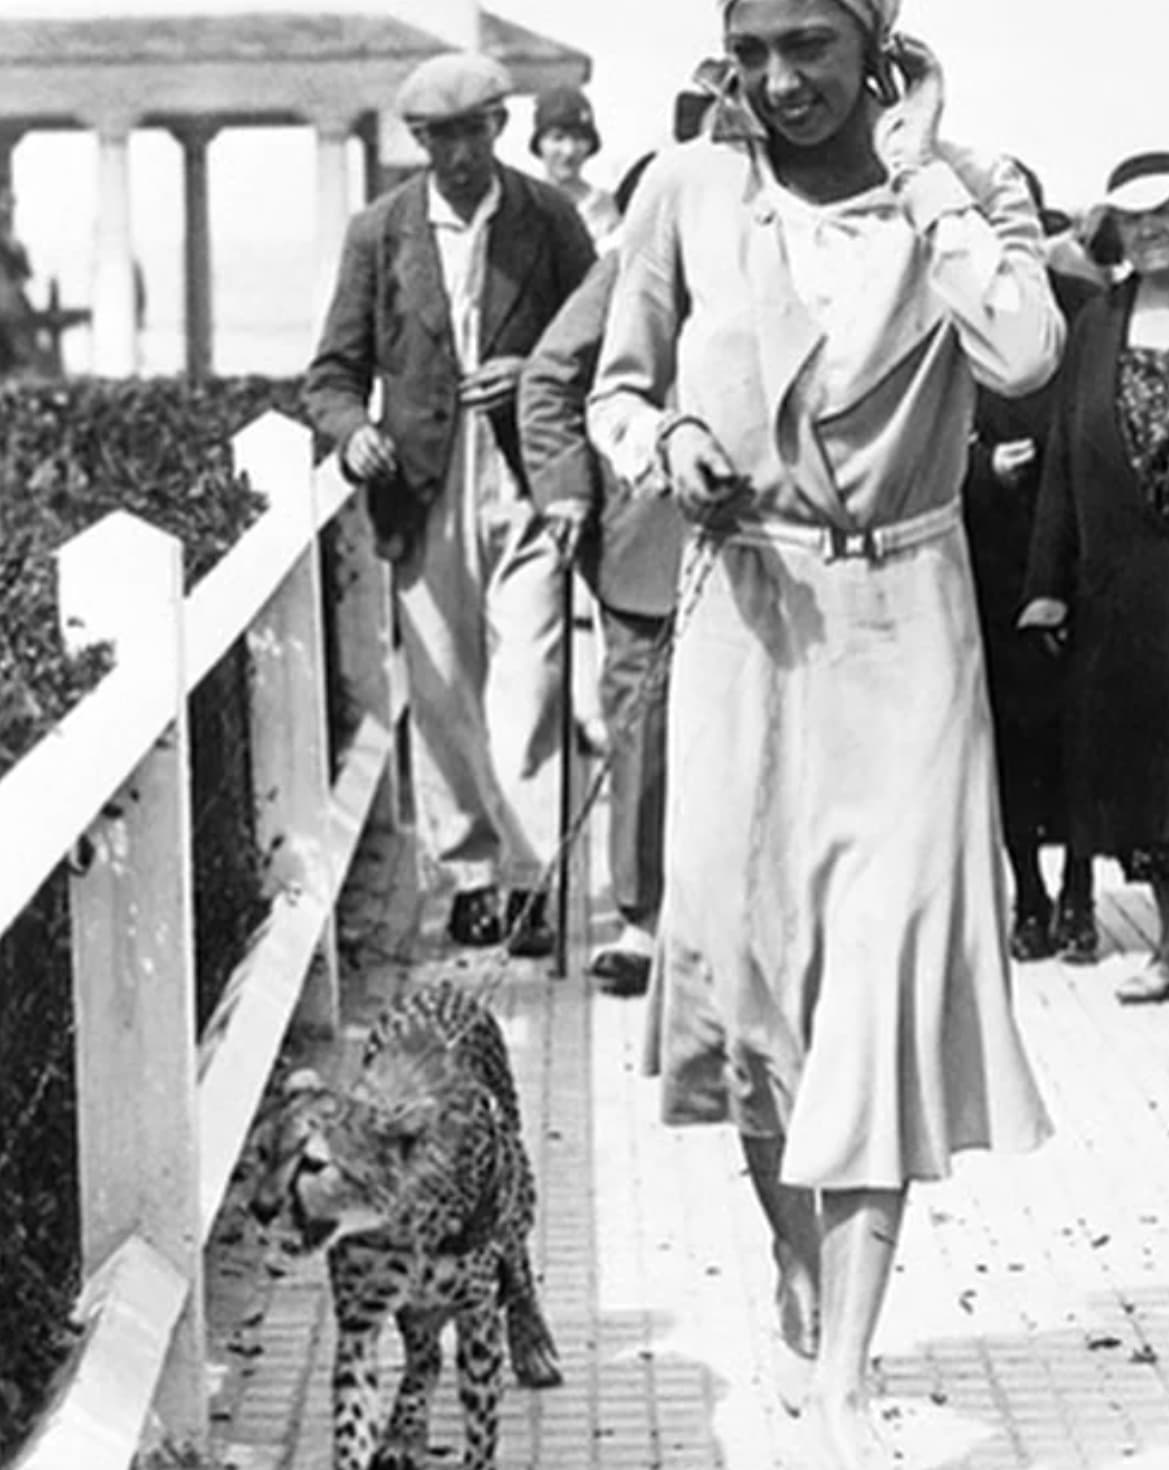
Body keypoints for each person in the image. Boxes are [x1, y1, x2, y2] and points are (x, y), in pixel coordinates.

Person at [587, 1, 1058, 1462]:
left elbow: (1028, 352)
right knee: (747, 987)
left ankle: (843, 1376)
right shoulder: (689, 192)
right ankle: (796, 1269)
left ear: (880, 48)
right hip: (747, 619)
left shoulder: (973, 190)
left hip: (909, 626)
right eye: (756, 47)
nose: (782, 80)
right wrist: (664, 444)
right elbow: (612, 386)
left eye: (814, 44)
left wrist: (923, 181)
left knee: (879, 986)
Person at [304, 52, 595, 956]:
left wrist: (534, 371)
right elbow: (332, 375)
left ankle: (528, 881)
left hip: (526, 481)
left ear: (501, 128)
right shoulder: (379, 234)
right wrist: (354, 433)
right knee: (441, 689)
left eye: (475, 130)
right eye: (441, 136)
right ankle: (468, 876)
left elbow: (603, 339)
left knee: (531, 685)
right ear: (418, 140)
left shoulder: (549, 220)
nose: (460, 153)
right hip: (422, 490)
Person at [1022, 150, 1169, 1006]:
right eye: (1133, 217)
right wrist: (1048, 581)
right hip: (1124, 583)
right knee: (1144, 765)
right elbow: (1065, 454)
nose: (1151, 228)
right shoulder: (1100, 322)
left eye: (1167, 209)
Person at [520, 152, 682, 999]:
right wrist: (569, 491)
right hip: (649, 545)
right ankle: (641, 918)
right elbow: (548, 380)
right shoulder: (624, 267)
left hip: (772, 539)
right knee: (644, 737)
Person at [962, 162, 1100, 964]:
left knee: (1083, 736)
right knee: (1011, 739)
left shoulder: (1083, 311)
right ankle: (1031, 897)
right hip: (990, 557)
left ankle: (1083, 894)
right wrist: (984, 471)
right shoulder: (949, 317)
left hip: (1082, 558)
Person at [529, 86, 621, 249]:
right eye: (557, 138)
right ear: (540, 144)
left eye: (578, 139)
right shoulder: (524, 202)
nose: (569, 151)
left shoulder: (603, 207)